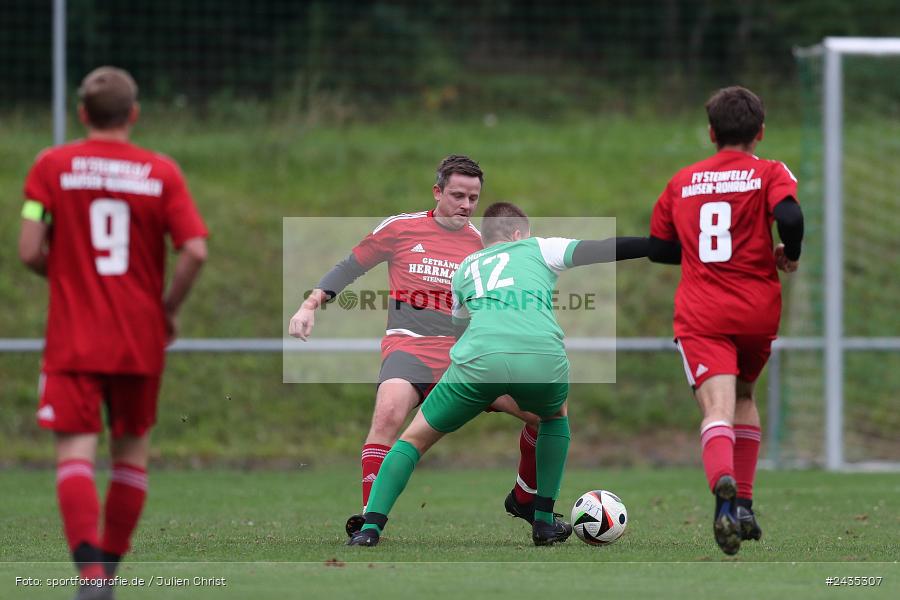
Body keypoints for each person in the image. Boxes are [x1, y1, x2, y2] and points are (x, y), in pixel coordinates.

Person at [347, 202, 649, 547]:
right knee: (553, 417)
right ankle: (544, 522)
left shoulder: (464, 268)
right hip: (539, 357)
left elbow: (459, 330)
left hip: (476, 362)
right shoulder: (537, 247)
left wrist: (476, 380)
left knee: (412, 440)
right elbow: (603, 249)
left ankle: (369, 529)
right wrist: (656, 245)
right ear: (518, 233)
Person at [19, 66, 208, 599]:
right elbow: (194, 250)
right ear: (134, 115)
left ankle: (91, 579)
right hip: (139, 338)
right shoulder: (161, 172)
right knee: (130, 453)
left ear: (82, 114)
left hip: (73, 338)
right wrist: (166, 308)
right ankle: (111, 570)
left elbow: (31, 247)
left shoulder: (50, 168)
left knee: (75, 453)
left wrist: (62, 269)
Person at [289, 156, 549, 537]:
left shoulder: (483, 244)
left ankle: (525, 499)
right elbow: (350, 266)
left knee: (541, 416)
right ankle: (369, 518)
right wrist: (309, 305)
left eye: (473, 198)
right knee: (388, 414)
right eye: (458, 195)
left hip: (466, 354)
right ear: (437, 192)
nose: (466, 205)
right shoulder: (401, 228)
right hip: (409, 347)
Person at [647, 86, 803, 556]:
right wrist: (789, 253)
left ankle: (723, 490)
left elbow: (659, 248)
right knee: (744, 395)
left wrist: (695, 252)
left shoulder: (683, 181)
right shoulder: (770, 171)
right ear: (759, 133)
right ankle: (747, 504)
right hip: (757, 309)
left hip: (703, 311)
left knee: (717, 408)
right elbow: (791, 217)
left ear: (712, 132)